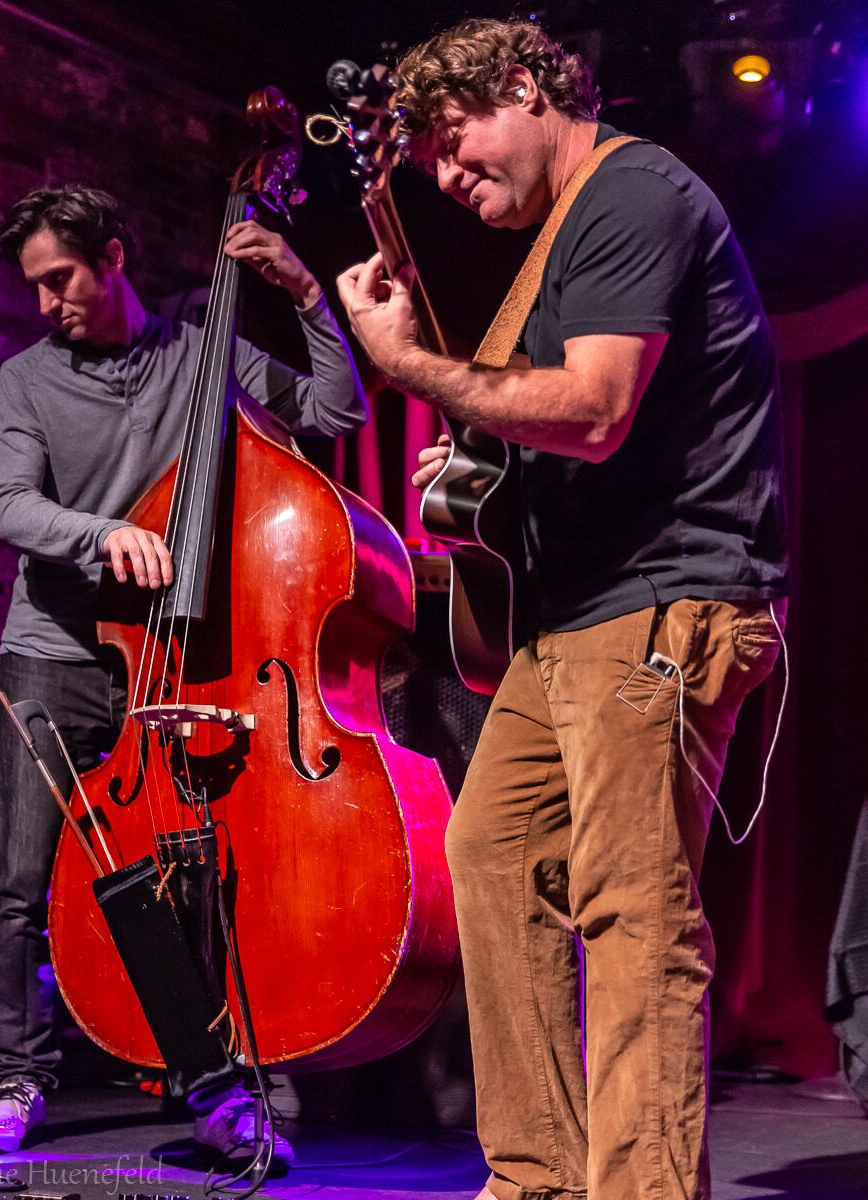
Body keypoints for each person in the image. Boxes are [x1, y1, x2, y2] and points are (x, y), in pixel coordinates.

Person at [337, 17, 788, 1200]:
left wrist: (407, 368)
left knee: (633, 910)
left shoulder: (632, 194)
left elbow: (592, 409)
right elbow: (558, 433)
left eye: (455, 140)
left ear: (528, 89)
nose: (445, 174)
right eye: (426, 157)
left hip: (661, 601)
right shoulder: (570, 234)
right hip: (575, 615)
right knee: (488, 852)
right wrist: (476, 473)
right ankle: (538, 1179)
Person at [0, 185, 367, 1155]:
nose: (45, 302)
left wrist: (311, 296)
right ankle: (18, 1080)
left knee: (189, 881)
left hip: (183, 661)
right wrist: (106, 537)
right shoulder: (24, 381)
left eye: (59, 278)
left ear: (114, 253)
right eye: (35, 286)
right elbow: (9, 506)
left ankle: (214, 1081)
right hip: (55, 652)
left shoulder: (203, 351)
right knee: (23, 878)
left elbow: (332, 411)